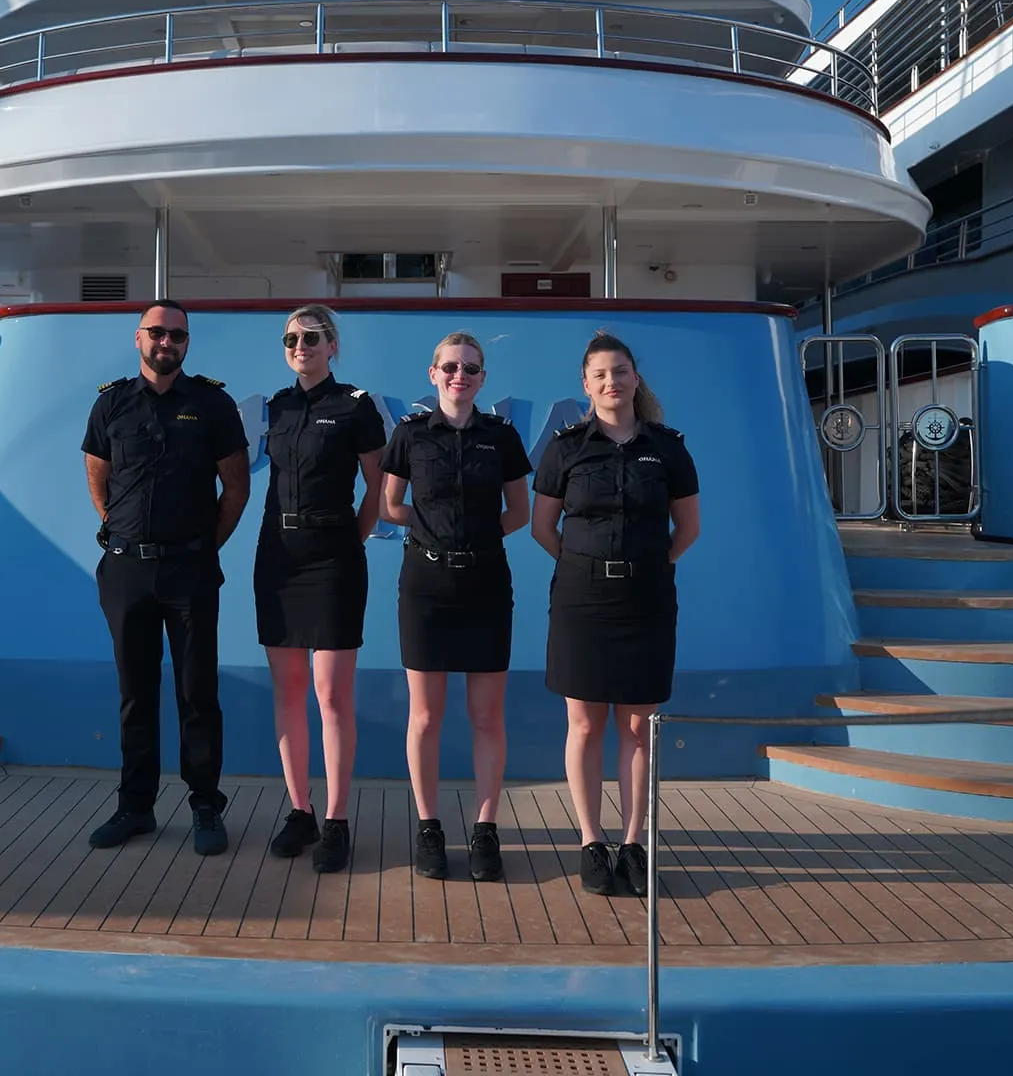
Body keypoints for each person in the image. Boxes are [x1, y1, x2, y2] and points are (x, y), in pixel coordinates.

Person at [532, 331, 699, 898]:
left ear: (635, 379)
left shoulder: (668, 447)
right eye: (601, 374)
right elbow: (542, 528)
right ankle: (591, 842)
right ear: (586, 384)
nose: (612, 382)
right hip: (582, 600)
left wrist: (647, 566)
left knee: (636, 728)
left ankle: (633, 843)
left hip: (646, 600)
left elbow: (689, 529)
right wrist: (589, 567)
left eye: (621, 371)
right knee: (585, 724)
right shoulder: (565, 448)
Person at [81, 300, 251, 856]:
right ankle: (135, 807)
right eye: (157, 332)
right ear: (138, 338)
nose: (167, 342)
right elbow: (97, 478)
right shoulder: (111, 404)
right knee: (136, 693)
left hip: (191, 569)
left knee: (197, 692)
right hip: (127, 570)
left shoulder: (213, 403)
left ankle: (205, 806)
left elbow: (237, 489)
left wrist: (203, 547)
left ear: (186, 342)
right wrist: (125, 535)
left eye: (177, 335)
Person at [380, 332, 531, 882]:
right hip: (425, 585)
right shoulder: (410, 435)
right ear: (433, 373)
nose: (459, 375)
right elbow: (390, 505)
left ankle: (486, 830)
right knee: (426, 715)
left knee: (487, 715)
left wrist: (474, 540)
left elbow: (519, 511)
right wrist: (433, 535)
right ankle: (429, 828)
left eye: (470, 368)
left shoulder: (502, 437)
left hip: (487, 583)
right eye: (450, 366)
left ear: (482, 378)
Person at [255, 305, 388, 873]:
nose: (300, 345)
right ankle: (300, 811)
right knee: (287, 691)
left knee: (331, 696)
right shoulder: (278, 406)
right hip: (278, 559)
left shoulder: (355, 407)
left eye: (311, 337)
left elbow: (379, 482)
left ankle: (336, 819)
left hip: (333, 559)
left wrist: (351, 539)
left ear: (332, 346)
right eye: (291, 338)